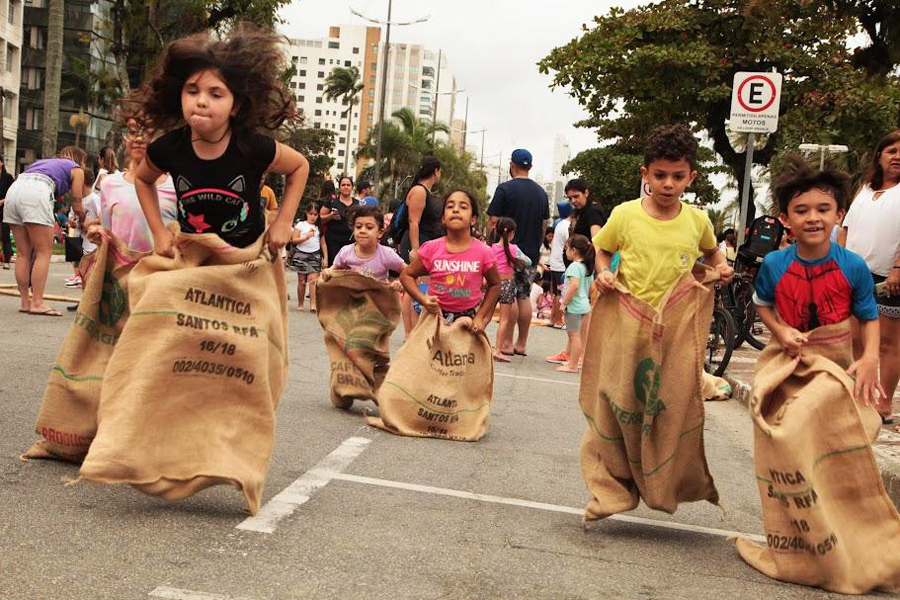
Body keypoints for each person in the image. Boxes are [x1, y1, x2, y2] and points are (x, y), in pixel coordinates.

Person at [128, 26, 309, 258]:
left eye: (215, 94)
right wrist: (159, 231)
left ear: (235, 105)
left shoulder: (252, 146)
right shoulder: (168, 148)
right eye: (192, 91)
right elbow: (143, 179)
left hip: (246, 259)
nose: (201, 101)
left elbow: (299, 166)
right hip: (192, 256)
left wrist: (284, 221)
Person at [755, 155, 882, 407]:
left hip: (836, 366)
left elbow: (869, 318)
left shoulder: (853, 266)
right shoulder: (774, 264)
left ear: (839, 215)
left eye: (823, 209)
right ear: (785, 219)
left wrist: (870, 358)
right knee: (780, 424)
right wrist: (780, 331)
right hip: (788, 361)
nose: (813, 217)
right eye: (801, 211)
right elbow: (762, 303)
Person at [594, 123, 733, 307]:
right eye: (660, 175)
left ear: (690, 177)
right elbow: (604, 251)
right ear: (646, 174)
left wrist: (721, 266)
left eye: (678, 177)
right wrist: (604, 271)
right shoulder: (624, 214)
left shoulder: (698, 221)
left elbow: (712, 252)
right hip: (629, 318)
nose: (668, 184)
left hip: (677, 322)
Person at [841, 130, 900, 422]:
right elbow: (846, 227)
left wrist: (897, 269)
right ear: (879, 155)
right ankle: (860, 394)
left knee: (889, 343)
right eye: (892, 150)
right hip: (854, 273)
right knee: (854, 337)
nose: (897, 156)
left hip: (891, 277)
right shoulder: (864, 188)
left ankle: (885, 402)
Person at [3, 146, 86, 316]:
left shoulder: (43, 162)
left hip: (14, 191)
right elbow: (77, 204)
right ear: (80, 160)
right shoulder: (76, 169)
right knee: (43, 252)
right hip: (37, 191)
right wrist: (84, 219)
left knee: (22, 254)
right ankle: (38, 302)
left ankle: (25, 302)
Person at [401, 190, 500, 333]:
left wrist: (480, 317)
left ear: (473, 219)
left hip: (467, 321)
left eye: (463, 207)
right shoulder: (431, 248)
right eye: (450, 206)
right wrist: (423, 300)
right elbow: (406, 275)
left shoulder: (484, 252)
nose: (455, 210)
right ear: (443, 218)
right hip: (433, 319)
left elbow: (495, 284)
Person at [487, 148, 549, 355]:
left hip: (506, 253)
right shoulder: (541, 193)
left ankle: (505, 343)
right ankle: (521, 344)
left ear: (512, 165)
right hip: (529, 254)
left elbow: (493, 221)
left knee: (508, 297)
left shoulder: (505, 189)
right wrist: (536, 250)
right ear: (529, 167)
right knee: (523, 296)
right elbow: (543, 224)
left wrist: (490, 247)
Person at [101, 119, 179, 253]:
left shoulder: (176, 187)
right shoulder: (109, 184)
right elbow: (106, 236)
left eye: (147, 132)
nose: (138, 138)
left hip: (161, 269)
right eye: (132, 132)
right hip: (120, 271)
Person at [398, 157, 443, 334]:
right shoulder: (419, 191)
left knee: (414, 289)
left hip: (426, 243)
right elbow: (413, 221)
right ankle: (411, 332)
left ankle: (412, 332)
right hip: (418, 243)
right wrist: (416, 249)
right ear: (436, 171)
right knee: (414, 287)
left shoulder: (427, 192)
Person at [328, 205, 405, 287]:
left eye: (369, 227)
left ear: (380, 233)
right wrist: (327, 273)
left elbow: (407, 272)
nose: (362, 231)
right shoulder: (346, 252)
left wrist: (399, 282)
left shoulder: (386, 254)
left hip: (377, 297)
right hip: (352, 297)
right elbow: (333, 271)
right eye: (358, 227)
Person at [490, 217, 532, 362]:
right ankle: (498, 349)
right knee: (504, 320)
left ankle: (476, 343)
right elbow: (528, 261)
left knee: (485, 316)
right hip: (507, 284)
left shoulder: (492, 248)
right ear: (512, 233)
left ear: (497, 231)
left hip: (493, 284)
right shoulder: (514, 249)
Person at [555, 234, 595, 374]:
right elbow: (591, 288)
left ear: (573, 250)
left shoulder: (574, 267)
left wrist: (564, 303)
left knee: (574, 336)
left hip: (574, 306)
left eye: (566, 248)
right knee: (576, 336)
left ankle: (572, 365)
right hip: (584, 305)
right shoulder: (587, 267)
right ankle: (572, 362)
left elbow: (574, 286)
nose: (565, 251)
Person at [64, 167, 97, 289]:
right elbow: (71, 216)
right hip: (79, 239)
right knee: (80, 265)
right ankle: (81, 285)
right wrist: (71, 222)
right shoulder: (77, 201)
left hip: (91, 243)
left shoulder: (94, 199)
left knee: (89, 268)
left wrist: (90, 224)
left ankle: (88, 292)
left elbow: (102, 218)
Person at [288, 202, 323, 312]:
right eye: (310, 213)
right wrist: (306, 237)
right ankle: (300, 303)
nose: (313, 216)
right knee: (302, 281)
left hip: (315, 254)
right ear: (306, 213)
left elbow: (323, 242)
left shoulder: (318, 227)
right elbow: (293, 240)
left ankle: (313, 304)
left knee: (313, 281)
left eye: (315, 214)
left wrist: (325, 257)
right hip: (301, 254)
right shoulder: (301, 225)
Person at [319, 175, 356, 266]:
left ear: (352, 187)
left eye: (348, 185)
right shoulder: (331, 202)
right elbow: (319, 218)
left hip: (351, 243)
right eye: (343, 185)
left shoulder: (358, 204)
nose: (346, 187)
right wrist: (330, 216)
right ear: (339, 187)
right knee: (334, 268)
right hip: (333, 242)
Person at [564, 178, 607, 252]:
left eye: (576, 196)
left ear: (586, 193)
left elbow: (596, 242)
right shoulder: (579, 212)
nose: (573, 201)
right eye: (570, 198)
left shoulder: (593, 211)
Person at [546, 210, 572, 332]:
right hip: (561, 264)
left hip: (555, 262)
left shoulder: (560, 223)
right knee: (560, 293)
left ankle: (552, 319)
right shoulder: (567, 226)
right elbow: (570, 244)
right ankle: (557, 320)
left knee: (556, 292)